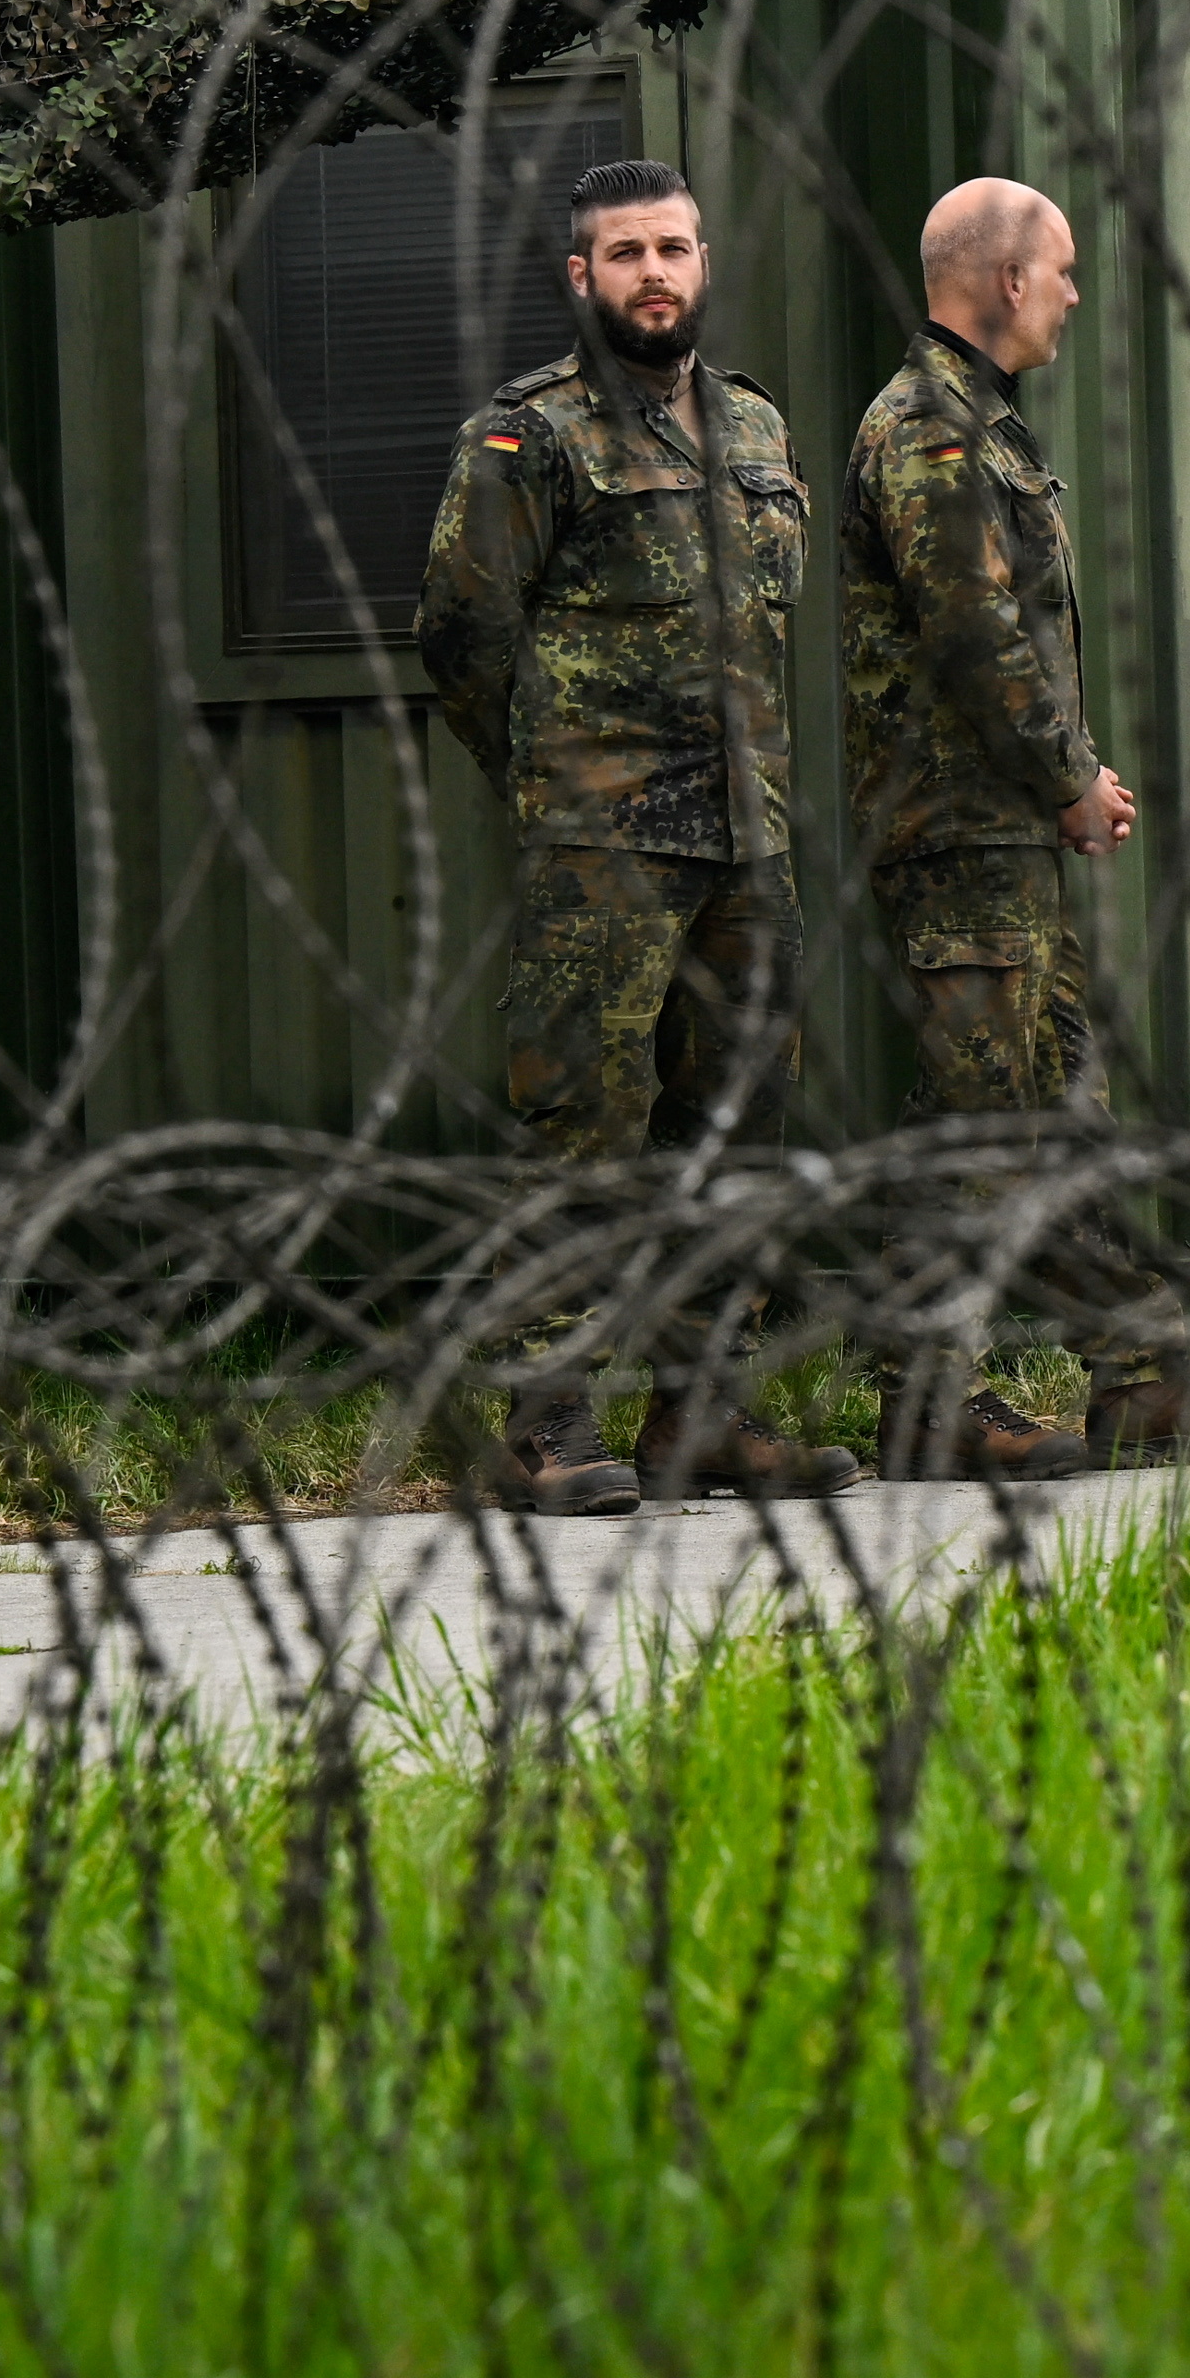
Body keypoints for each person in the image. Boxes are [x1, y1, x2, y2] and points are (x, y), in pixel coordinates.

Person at [416, 157, 869, 1512]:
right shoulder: (530, 433)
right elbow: (461, 634)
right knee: (584, 1126)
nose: (655, 273)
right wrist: (557, 782)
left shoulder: (754, 428)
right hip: (601, 845)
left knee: (731, 1124)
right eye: (625, 253)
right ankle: (548, 1422)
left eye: (674, 246)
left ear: (704, 259)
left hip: (747, 840)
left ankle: (700, 1411)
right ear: (580, 275)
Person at [843, 178, 1190, 1473]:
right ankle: (926, 1401)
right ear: (1007, 281)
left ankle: (1140, 1378)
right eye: (1067, 271)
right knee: (977, 1121)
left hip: (1003, 830)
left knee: (1066, 1101)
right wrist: (1068, 776)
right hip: (958, 831)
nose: (1078, 296)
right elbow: (976, 637)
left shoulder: (986, 427)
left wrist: (1066, 777)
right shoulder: (930, 427)